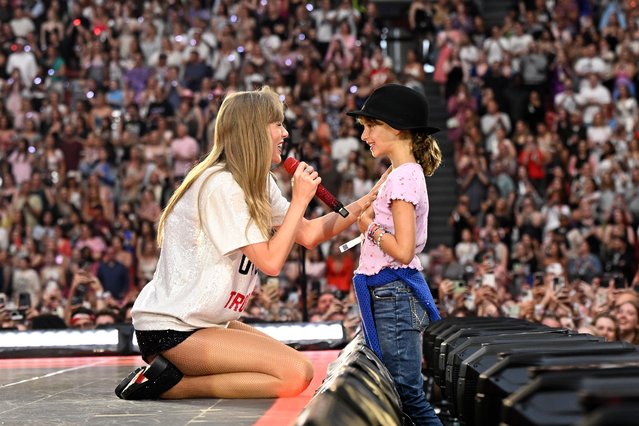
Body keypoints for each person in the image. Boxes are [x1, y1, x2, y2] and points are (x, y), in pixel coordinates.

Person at [115, 86, 386, 400]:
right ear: (254, 131)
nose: (284, 133)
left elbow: (309, 234)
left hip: (207, 322)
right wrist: (299, 200)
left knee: (302, 371)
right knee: (293, 375)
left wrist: (368, 200)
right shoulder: (222, 185)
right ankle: (165, 385)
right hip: (173, 329)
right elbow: (270, 263)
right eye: (277, 125)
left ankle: (169, 378)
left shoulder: (258, 181)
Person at [347, 83, 443, 425]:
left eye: (371, 126)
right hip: (391, 295)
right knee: (401, 393)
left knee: (407, 394)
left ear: (397, 128)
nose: (364, 136)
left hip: (394, 295)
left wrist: (368, 228)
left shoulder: (402, 178)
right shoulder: (401, 174)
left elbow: (402, 250)